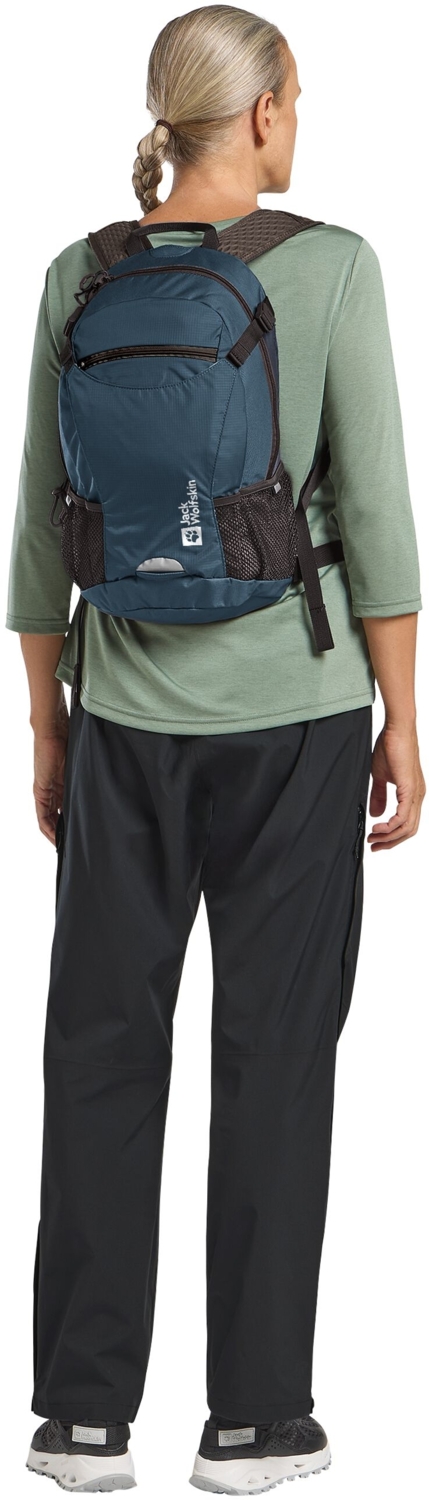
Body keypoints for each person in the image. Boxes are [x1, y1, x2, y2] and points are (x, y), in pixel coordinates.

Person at [6, 5, 425, 1493]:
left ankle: (80, 1419)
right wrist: (403, 718)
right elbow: (376, 517)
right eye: (294, 98)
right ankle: (253, 1424)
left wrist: (48, 725)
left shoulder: (78, 273)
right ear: (259, 115)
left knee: (99, 1052)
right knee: (274, 1058)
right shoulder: (333, 267)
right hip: (295, 726)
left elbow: (37, 531)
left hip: (123, 721)